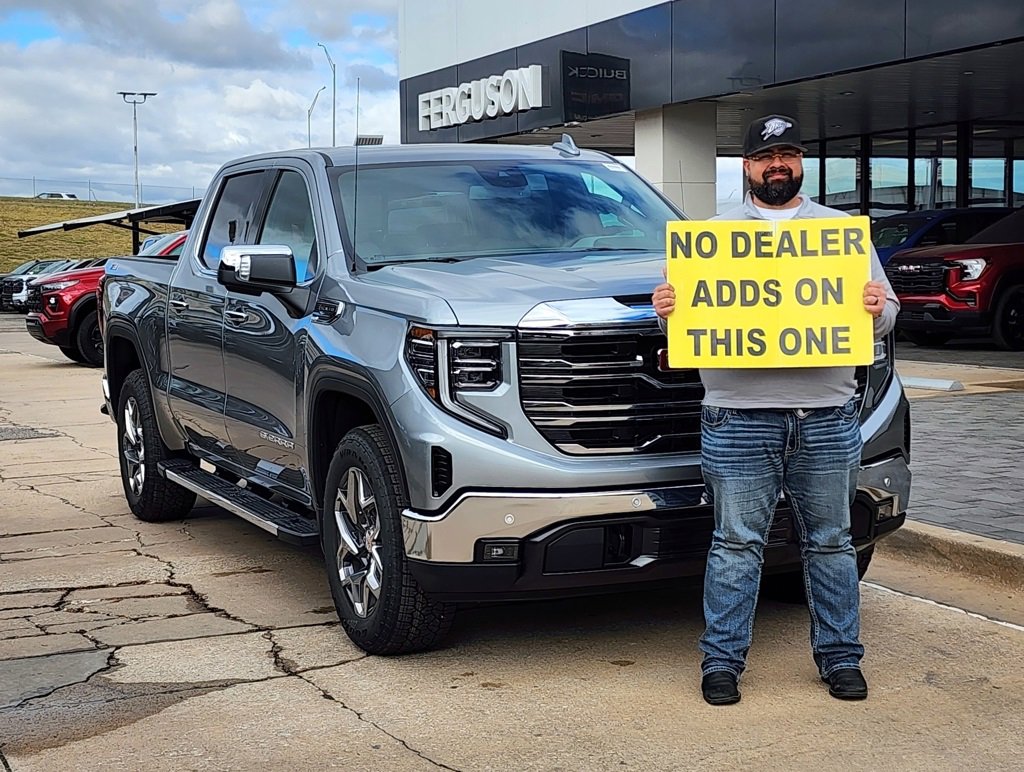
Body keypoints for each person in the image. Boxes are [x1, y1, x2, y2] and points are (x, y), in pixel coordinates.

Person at [651, 114, 898, 705]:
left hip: (827, 415)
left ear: (801, 163)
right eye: (767, 157)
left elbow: (887, 315)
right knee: (736, 544)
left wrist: (874, 307)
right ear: (747, 167)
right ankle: (722, 663)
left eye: (787, 154)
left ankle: (841, 659)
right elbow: (684, 320)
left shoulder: (842, 234)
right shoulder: (709, 238)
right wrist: (667, 308)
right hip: (738, 415)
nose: (777, 165)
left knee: (832, 542)